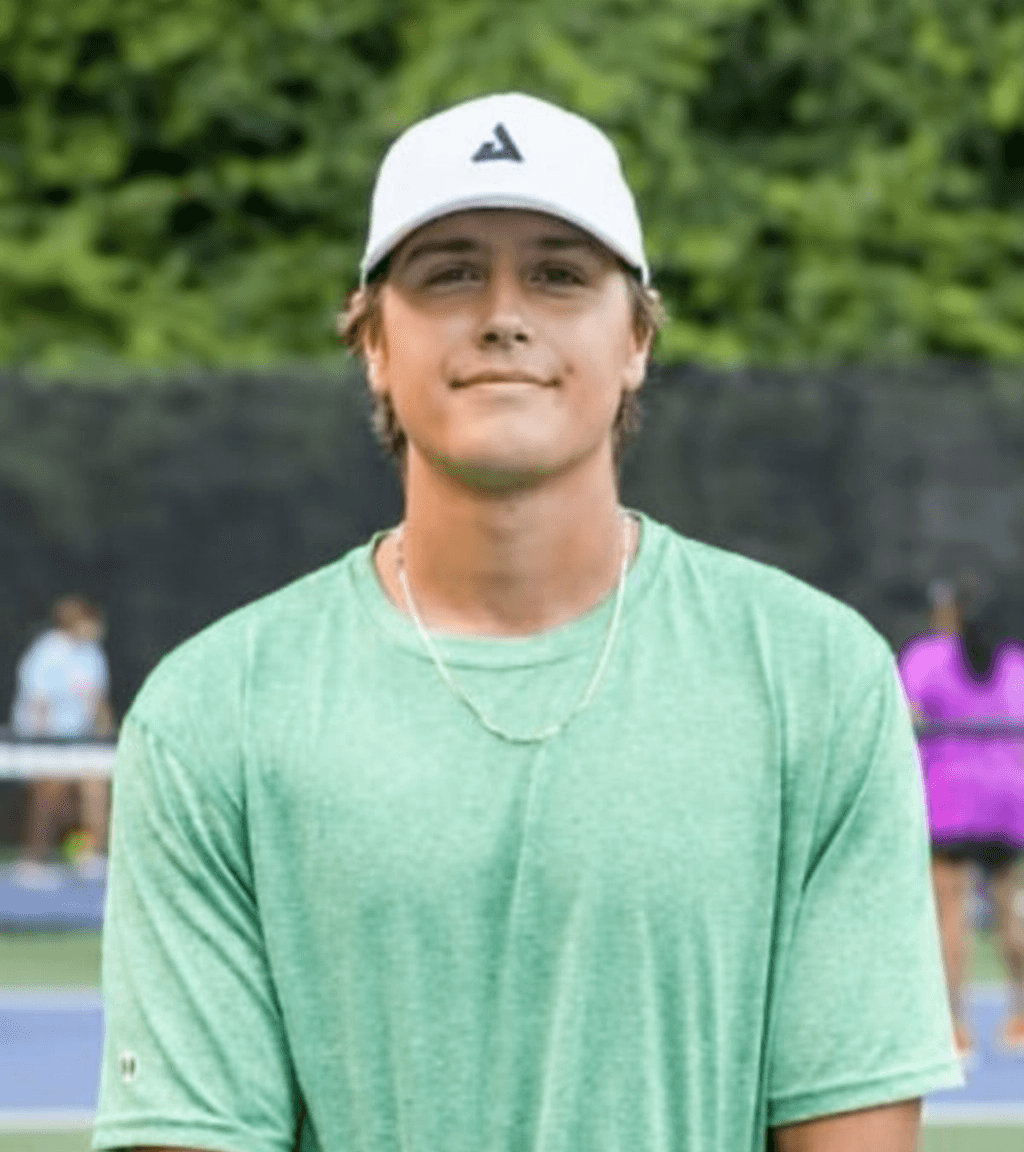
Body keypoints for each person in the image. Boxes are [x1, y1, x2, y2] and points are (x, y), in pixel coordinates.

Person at [92, 92, 962, 1152]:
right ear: (371, 339)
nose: (504, 313)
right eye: (449, 270)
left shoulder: (816, 677)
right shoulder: (210, 713)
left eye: (558, 273)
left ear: (636, 336)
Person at [898, 577, 1024, 1068]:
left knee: (949, 916)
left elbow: (902, 717)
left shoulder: (926, 657)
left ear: (949, 614)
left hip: (949, 804)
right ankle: (1020, 1017)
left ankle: (954, 1030)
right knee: (1010, 911)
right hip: (1008, 805)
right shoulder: (1015, 663)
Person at [9, 594, 114, 888]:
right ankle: (34, 861)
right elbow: (38, 701)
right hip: (45, 739)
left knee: (96, 789)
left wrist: (105, 735)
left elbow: (97, 700)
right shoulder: (47, 652)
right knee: (50, 797)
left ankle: (90, 856)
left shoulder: (92, 653)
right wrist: (40, 745)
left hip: (81, 741)